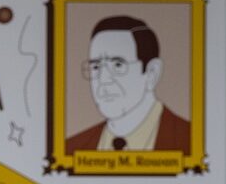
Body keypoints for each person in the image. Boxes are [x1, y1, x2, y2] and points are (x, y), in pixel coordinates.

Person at [64, 15, 191, 153]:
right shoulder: (71, 148)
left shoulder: (192, 141)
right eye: (96, 67)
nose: (103, 79)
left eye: (118, 65)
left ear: (151, 73)